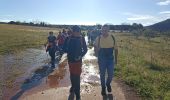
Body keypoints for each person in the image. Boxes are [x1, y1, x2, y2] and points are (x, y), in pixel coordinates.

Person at [63, 25, 87, 100]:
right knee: (72, 74)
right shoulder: (68, 38)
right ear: (73, 32)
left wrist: (81, 55)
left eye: (79, 31)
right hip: (70, 60)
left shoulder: (82, 38)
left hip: (78, 61)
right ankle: (73, 86)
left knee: (77, 77)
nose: (78, 33)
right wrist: (69, 52)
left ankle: (78, 94)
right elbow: (64, 48)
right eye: (76, 31)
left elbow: (85, 49)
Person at [94, 24, 118, 95]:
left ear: (108, 30)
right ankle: (103, 88)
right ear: (101, 30)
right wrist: (96, 51)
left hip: (110, 59)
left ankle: (108, 84)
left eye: (105, 30)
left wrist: (116, 60)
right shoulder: (98, 38)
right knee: (102, 75)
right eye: (103, 30)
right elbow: (95, 46)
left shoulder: (112, 38)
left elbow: (116, 50)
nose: (104, 32)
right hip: (102, 59)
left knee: (111, 75)